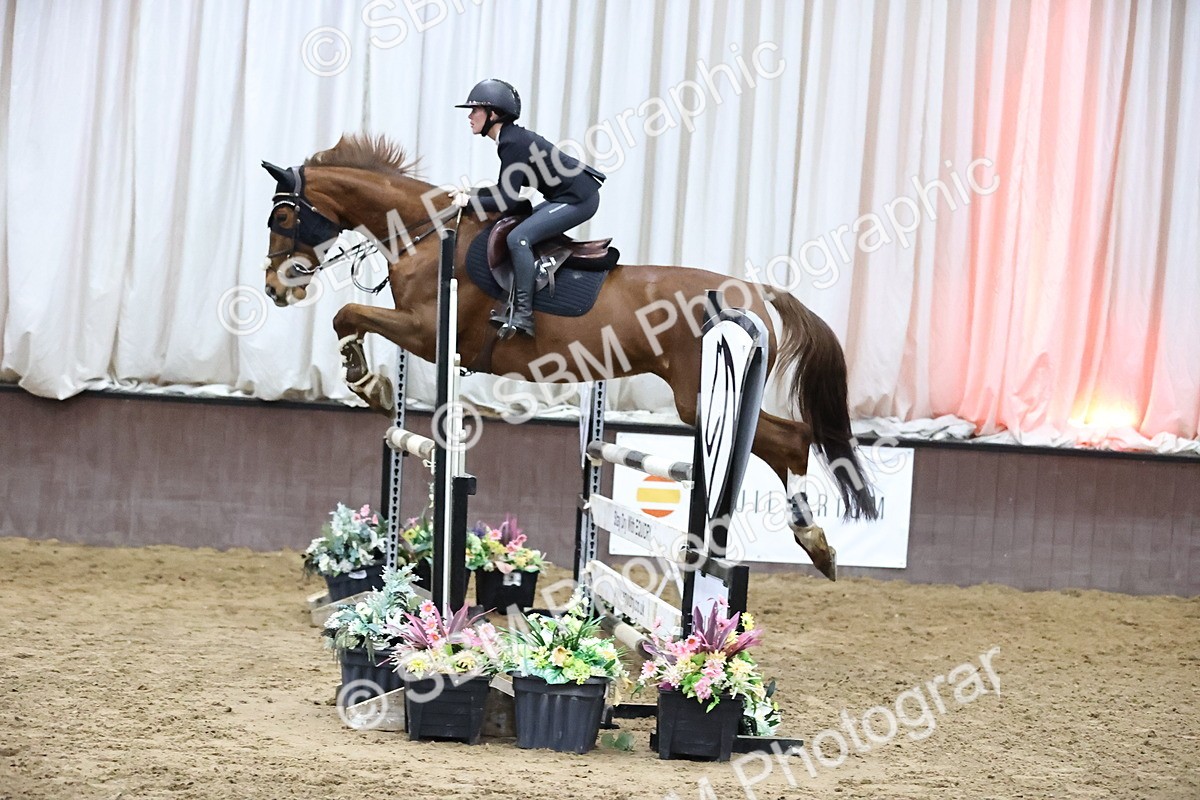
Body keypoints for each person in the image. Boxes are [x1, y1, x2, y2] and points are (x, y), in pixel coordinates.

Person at [451, 79, 605, 339]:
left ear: (494, 114)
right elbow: (505, 191)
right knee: (521, 228)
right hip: (566, 196)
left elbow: (508, 200)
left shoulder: (512, 143)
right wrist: (471, 194)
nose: (470, 115)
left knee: (518, 238)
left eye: (475, 109)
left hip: (579, 199)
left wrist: (470, 201)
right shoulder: (510, 140)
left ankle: (523, 314)